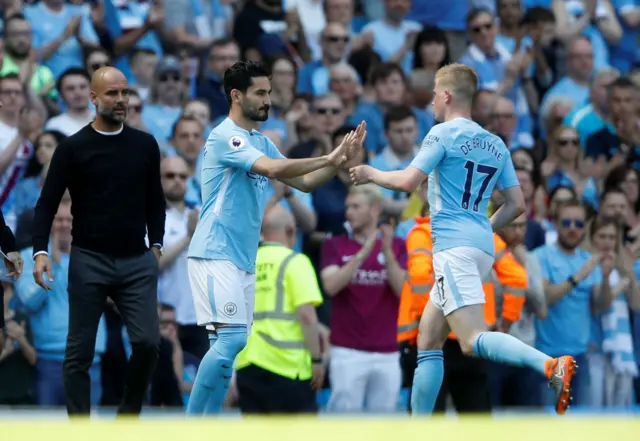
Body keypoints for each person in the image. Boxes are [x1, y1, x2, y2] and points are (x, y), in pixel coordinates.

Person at [349, 63, 577, 416]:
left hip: (453, 247)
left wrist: (369, 172)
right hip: (480, 244)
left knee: (470, 341)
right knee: (428, 341)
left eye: (434, 98)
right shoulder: (496, 142)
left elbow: (408, 182)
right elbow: (517, 203)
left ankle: (550, 365)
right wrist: (484, 227)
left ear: (447, 95)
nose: (431, 106)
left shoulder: (442, 134)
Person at [186, 61, 366, 416]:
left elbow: (303, 182)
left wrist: (338, 161)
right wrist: (327, 156)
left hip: (243, 258)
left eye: (269, 92)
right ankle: (189, 426)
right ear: (237, 96)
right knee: (233, 340)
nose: (269, 100)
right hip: (214, 251)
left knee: (226, 352)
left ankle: (205, 425)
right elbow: (272, 170)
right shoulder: (226, 136)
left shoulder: (260, 142)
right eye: (261, 93)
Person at [31, 67, 166, 417]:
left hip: (137, 259)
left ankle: (128, 417)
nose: (120, 100)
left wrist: (157, 245)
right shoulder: (73, 148)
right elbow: (46, 203)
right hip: (89, 258)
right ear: (93, 99)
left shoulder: (145, 144)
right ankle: (80, 429)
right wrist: (40, 252)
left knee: (149, 343)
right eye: (112, 94)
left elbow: (156, 199)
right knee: (79, 352)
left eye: (124, 93)